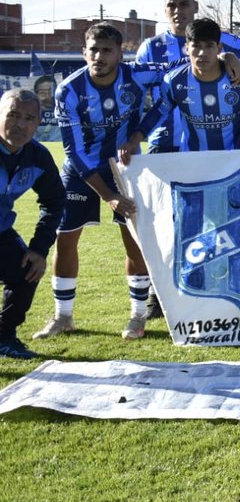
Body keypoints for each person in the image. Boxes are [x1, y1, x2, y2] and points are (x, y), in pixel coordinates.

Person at [34, 23, 173, 342]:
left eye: (106, 50)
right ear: (84, 52)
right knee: (65, 239)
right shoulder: (68, 90)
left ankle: (137, 317)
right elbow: (74, 151)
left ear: (120, 53)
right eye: (93, 50)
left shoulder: (137, 74)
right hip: (82, 171)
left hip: (126, 168)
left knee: (133, 241)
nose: (98, 56)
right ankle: (62, 317)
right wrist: (110, 196)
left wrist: (140, 133)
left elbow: (179, 73)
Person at [119, 18, 240, 159]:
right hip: (193, 164)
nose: (202, 53)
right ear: (187, 48)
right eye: (196, 46)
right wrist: (134, 140)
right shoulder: (174, 80)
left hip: (237, 160)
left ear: (219, 48)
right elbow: (160, 110)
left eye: (209, 46)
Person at [0, 89, 65, 359]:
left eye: (29, 118)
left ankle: (4, 337)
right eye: (12, 115)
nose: (20, 124)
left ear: (39, 124)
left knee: (28, 267)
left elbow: (54, 201)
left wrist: (39, 249)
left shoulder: (37, 156)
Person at [32, 75, 59, 142]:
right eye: (42, 93)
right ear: (35, 94)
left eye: (51, 92)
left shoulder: (66, 113)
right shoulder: (30, 116)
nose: (47, 96)